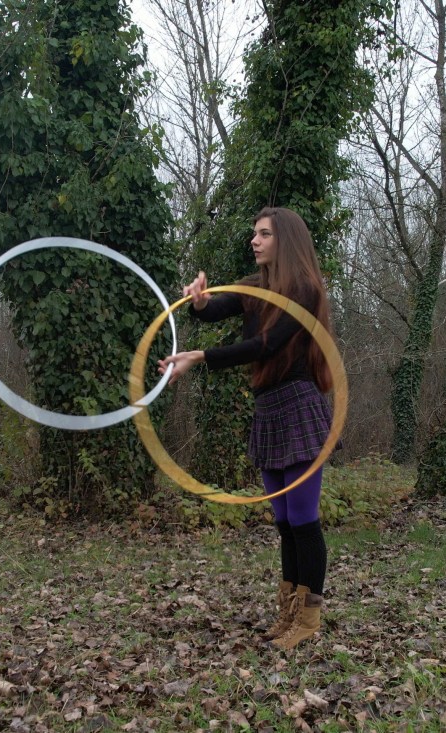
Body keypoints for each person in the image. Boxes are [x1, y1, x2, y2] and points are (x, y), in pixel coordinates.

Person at [158, 206, 336, 651]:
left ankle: (308, 619)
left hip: (298, 407)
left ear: (286, 240)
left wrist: (200, 357)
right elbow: (215, 309)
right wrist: (200, 302)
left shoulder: (304, 289)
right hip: (268, 409)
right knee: (283, 521)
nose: (254, 241)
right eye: (254, 234)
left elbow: (265, 345)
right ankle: (288, 613)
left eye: (264, 234)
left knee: (303, 520)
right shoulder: (255, 286)